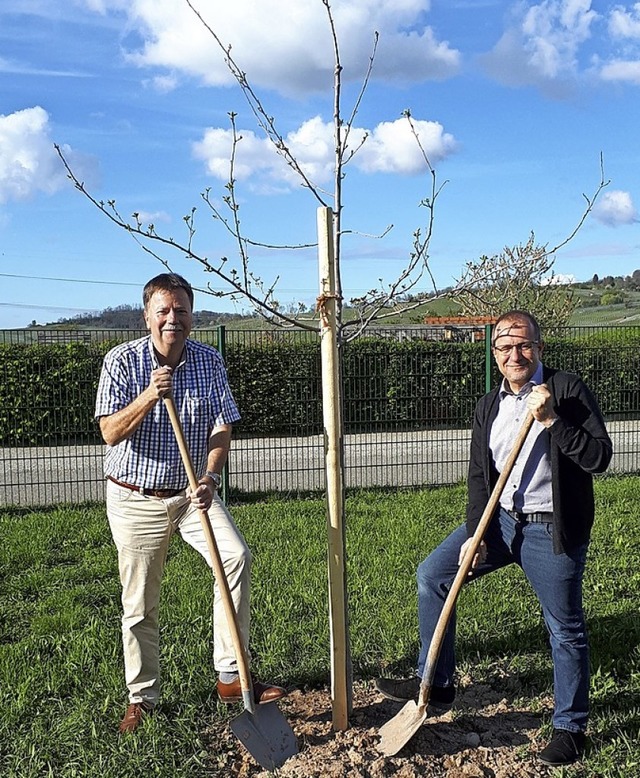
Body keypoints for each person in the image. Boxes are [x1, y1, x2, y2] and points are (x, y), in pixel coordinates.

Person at [376, 310, 612, 767]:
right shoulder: (490, 404)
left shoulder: (566, 391)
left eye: (523, 345)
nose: (514, 354)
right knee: (433, 576)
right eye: (504, 347)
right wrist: (475, 532)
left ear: (539, 349)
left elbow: (599, 458)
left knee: (564, 628)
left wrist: (552, 421)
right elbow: (480, 477)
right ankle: (437, 683)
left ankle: (570, 727)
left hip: (551, 528)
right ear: (494, 354)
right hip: (500, 521)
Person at [95, 272, 286, 734]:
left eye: (180, 310)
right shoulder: (121, 362)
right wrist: (150, 394)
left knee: (236, 556)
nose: (172, 319)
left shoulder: (208, 360)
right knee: (140, 603)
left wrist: (211, 475)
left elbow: (222, 425)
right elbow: (109, 431)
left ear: (192, 316)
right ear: (146, 315)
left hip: (190, 492)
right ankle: (142, 698)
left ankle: (229, 673)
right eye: (163, 310)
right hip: (136, 497)